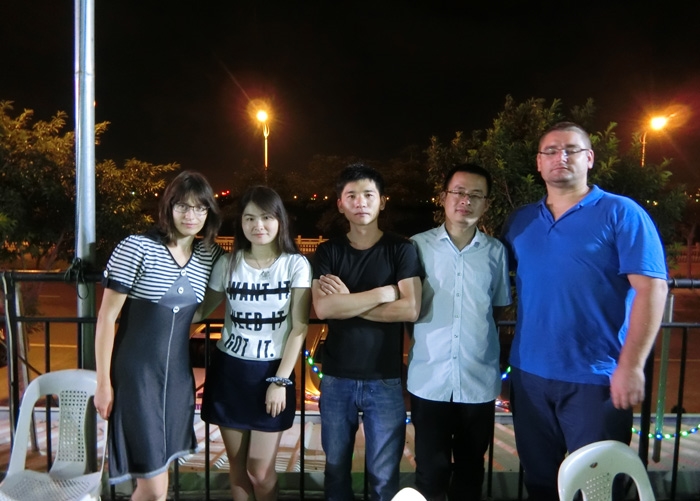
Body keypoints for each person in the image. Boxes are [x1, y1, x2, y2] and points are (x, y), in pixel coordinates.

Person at [501, 122, 668, 501]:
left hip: (596, 380)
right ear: (538, 163)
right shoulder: (521, 221)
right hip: (529, 377)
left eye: (571, 150)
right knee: (540, 483)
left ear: (589, 158)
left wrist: (631, 366)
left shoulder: (621, 213)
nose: (560, 157)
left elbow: (652, 289)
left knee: (598, 489)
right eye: (550, 151)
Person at [94, 170, 224, 501]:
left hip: (178, 380)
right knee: (152, 486)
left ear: (209, 213)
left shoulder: (209, 255)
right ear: (168, 207)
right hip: (137, 378)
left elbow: (202, 309)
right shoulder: (137, 247)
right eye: (183, 206)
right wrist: (103, 383)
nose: (191, 215)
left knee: (158, 481)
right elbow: (107, 317)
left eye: (200, 208)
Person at [312, 163, 423, 501]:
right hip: (336, 378)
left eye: (368, 195)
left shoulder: (401, 249)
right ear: (340, 204)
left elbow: (411, 309)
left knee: (384, 477)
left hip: (385, 379)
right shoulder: (329, 251)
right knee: (335, 473)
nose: (360, 202)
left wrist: (348, 302)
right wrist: (382, 293)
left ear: (382, 201)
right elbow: (323, 308)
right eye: (351, 196)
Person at [197, 185, 312, 501]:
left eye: (266, 217)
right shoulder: (228, 264)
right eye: (249, 218)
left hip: (272, 372)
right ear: (241, 223)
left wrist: (280, 380)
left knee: (259, 471)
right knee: (237, 468)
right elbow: (200, 311)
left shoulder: (295, 264)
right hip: (229, 371)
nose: (258, 225)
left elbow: (299, 328)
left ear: (279, 220)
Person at [408, 163, 511, 501]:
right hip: (429, 379)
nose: (466, 200)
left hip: (477, 381)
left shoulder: (495, 252)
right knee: (429, 472)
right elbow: (408, 307)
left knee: (470, 472)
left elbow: (496, 309)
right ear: (444, 197)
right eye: (459, 192)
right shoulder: (417, 246)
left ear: (486, 204)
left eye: (476, 195)